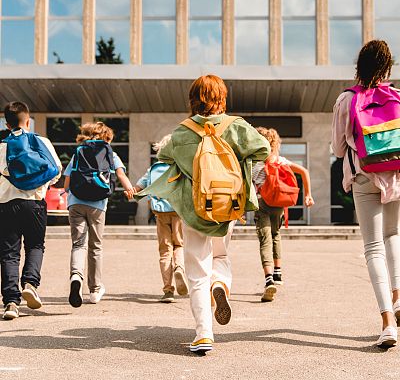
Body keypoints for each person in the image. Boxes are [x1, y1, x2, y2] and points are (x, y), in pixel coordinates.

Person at [136, 75, 270, 354]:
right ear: (222, 98)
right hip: (228, 205)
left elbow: (164, 159)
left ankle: (204, 333)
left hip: (195, 208)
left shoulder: (182, 132)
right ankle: (220, 283)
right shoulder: (236, 126)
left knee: (197, 270)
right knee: (220, 256)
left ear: (193, 99)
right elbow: (263, 149)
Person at [332, 40, 400, 348]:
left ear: (360, 66)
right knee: (393, 236)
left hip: (363, 174)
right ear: (388, 67)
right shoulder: (397, 96)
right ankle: (398, 299)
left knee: (373, 248)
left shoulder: (347, 99)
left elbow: (337, 148)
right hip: (395, 175)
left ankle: (387, 322)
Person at [0, 101, 62, 320]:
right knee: (35, 245)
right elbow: (56, 170)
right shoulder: (41, 141)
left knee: (9, 253)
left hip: (6, 204)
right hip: (35, 202)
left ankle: (10, 303)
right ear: (28, 121)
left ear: (6, 124)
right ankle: (30, 283)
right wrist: (40, 186)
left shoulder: (2, 145)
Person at [64, 122, 134, 307]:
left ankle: (75, 277)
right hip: (98, 205)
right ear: (107, 138)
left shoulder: (78, 152)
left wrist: (68, 194)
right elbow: (120, 175)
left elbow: (67, 182)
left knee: (78, 244)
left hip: (76, 203)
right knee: (95, 246)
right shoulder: (111, 153)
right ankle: (94, 290)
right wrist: (130, 190)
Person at [252, 127, 314, 302]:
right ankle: (278, 273)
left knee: (265, 239)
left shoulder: (255, 163)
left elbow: (247, 185)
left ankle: (268, 278)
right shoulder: (280, 160)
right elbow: (304, 171)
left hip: (262, 203)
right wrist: (308, 195)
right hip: (279, 203)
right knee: (276, 235)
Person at [133, 134, 188, 303]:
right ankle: (179, 267)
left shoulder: (153, 168)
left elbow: (138, 187)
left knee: (165, 250)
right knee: (179, 244)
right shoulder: (180, 167)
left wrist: (132, 191)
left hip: (160, 213)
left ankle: (168, 290)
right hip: (178, 210)